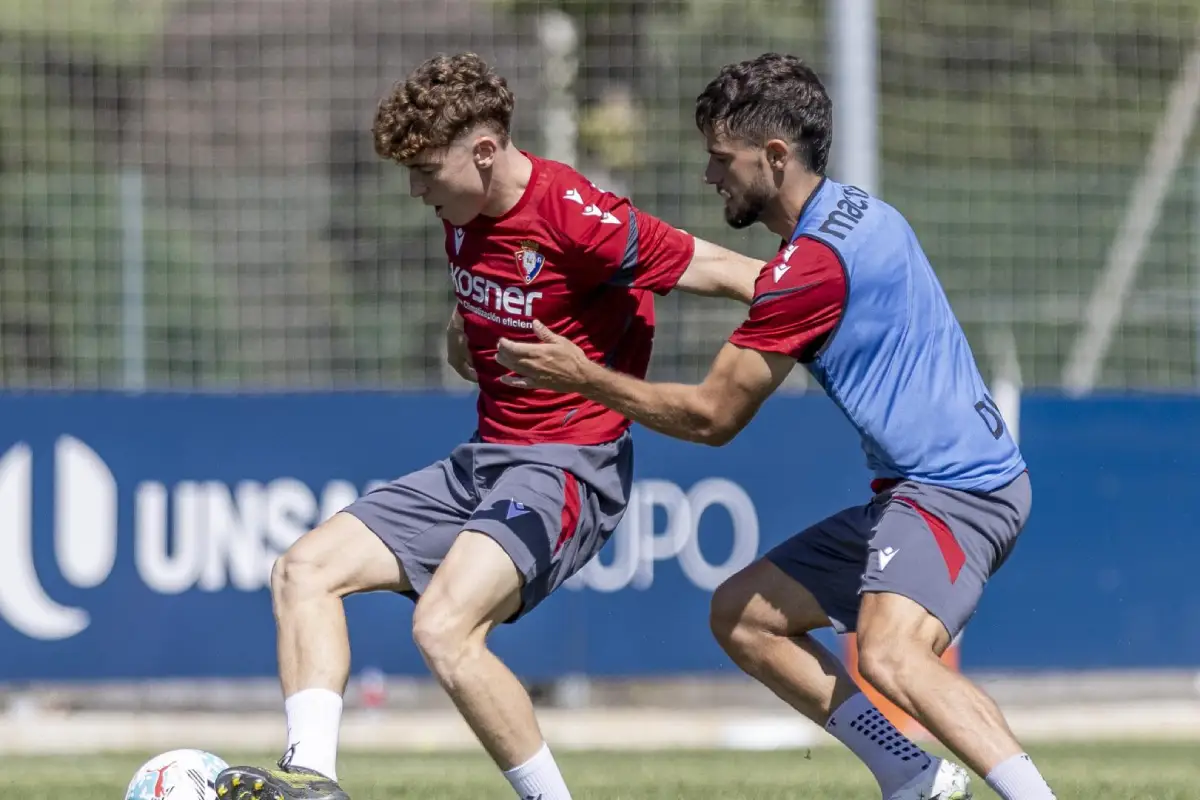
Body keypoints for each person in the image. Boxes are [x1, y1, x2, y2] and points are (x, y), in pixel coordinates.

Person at [496, 53, 1057, 800]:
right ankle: (911, 775)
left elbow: (712, 418)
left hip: (954, 491)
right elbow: (771, 289)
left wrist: (584, 376)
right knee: (744, 615)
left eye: (721, 158)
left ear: (775, 155)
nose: (709, 175)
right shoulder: (856, 213)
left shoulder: (811, 268)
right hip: (926, 488)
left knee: (891, 655)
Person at [214, 52, 763, 800]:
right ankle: (312, 781)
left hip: (568, 467)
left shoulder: (575, 215)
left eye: (425, 172)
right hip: (485, 460)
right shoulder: (463, 216)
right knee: (302, 570)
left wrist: (831, 303)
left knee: (444, 628)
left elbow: (730, 271)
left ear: (482, 151)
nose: (416, 191)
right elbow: (477, 327)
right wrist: (466, 335)